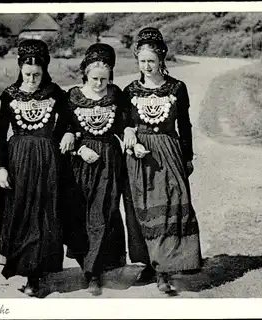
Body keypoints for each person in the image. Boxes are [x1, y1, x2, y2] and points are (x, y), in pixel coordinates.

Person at [122, 27, 204, 293]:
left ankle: (165, 270)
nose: (147, 66)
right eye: (142, 61)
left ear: (161, 60)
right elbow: (123, 123)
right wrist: (129, 132)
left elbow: (186, 126)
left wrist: (187, 158)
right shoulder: (129, 90)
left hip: (169, 152)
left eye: (151, 61)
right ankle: (149, 263)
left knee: (170, 208)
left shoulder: (177, 88)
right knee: (142, 210)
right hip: (139, 157)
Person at [0, 39, 74, 297]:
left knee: (43, 215)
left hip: (48, 160)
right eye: (27, 74)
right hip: (18, 161)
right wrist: (1, 167)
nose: (31, 79)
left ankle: (35, 277)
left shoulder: (55, 93)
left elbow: (71, 118)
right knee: (21, 214)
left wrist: (68, 133)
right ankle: (23, 264)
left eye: (37, 74)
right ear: (19, 69)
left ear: (45, 71)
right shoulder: (9, 95)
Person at [61, 43, 127, 296]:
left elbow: (123, 123)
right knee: (79, 213)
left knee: (103, 212)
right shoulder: (73, 96)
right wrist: (77, 147)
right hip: (80, 162)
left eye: (104, 79)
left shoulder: (116, 94)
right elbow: (63, 128)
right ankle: (86, 263)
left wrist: (129, 130)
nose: (99, 84)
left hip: (109, 161)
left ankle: (94, 273)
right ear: (85, 75)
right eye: (94, 78)